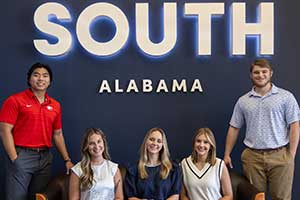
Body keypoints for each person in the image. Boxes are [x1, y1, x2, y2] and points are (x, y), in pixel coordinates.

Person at [224, 59, 300, 200]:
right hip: (252, 158)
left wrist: (291, 154)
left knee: (281, 198)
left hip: (280, 156)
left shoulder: (286, 97)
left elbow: (294, 125)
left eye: (264, 71)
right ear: (251, 75)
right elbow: (234, 127)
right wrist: (227, 154)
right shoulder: (243, 101)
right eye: (256, 72)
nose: (260, 75)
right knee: (255, 197)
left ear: (270, 73)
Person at [0, 62, 73, 200]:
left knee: (40, 197)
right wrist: (15, 158)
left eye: (45, 76)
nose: (41, 79)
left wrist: (67, 159)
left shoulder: (55, 105)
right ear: (29, 79)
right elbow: (4, 131)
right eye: (36, 75)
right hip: (22, 155)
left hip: (44, 158)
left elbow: (57, 134)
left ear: (50, 81)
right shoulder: (15, 100)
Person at [124, 127, 181, 200]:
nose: (155, 143)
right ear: (146, 141)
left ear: (163, 145)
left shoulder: (173, 168)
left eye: (159, 141)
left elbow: (175, 196)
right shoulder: (133, 169)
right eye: (152, 139)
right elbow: (131, 197)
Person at [69, 128, 123, 200]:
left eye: (99, 141)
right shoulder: (77, 170)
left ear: (103, 142)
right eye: (91, 143)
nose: (96, 146)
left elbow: (119, 197)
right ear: (86, 147)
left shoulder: (114, 168)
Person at [180, 128, 232, 200]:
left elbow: (229, 196)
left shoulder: (220, 165)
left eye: (206, 142)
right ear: (194, 143)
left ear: (211, 145)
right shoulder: (184, 164)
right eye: (198, 141)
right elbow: (182, 196)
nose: (201, 145)